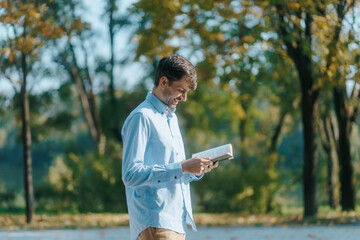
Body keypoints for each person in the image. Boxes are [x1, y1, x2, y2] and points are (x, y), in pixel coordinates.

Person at [122, 54, 218, 240]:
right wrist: (182, 167)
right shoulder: (141, 117)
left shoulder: (171, 119)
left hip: (176, 221)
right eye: (181, 90)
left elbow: (173, 173)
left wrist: (195, 170)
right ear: (163, 81)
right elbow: (130, 174)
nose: (184, 98)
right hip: (156, 220)